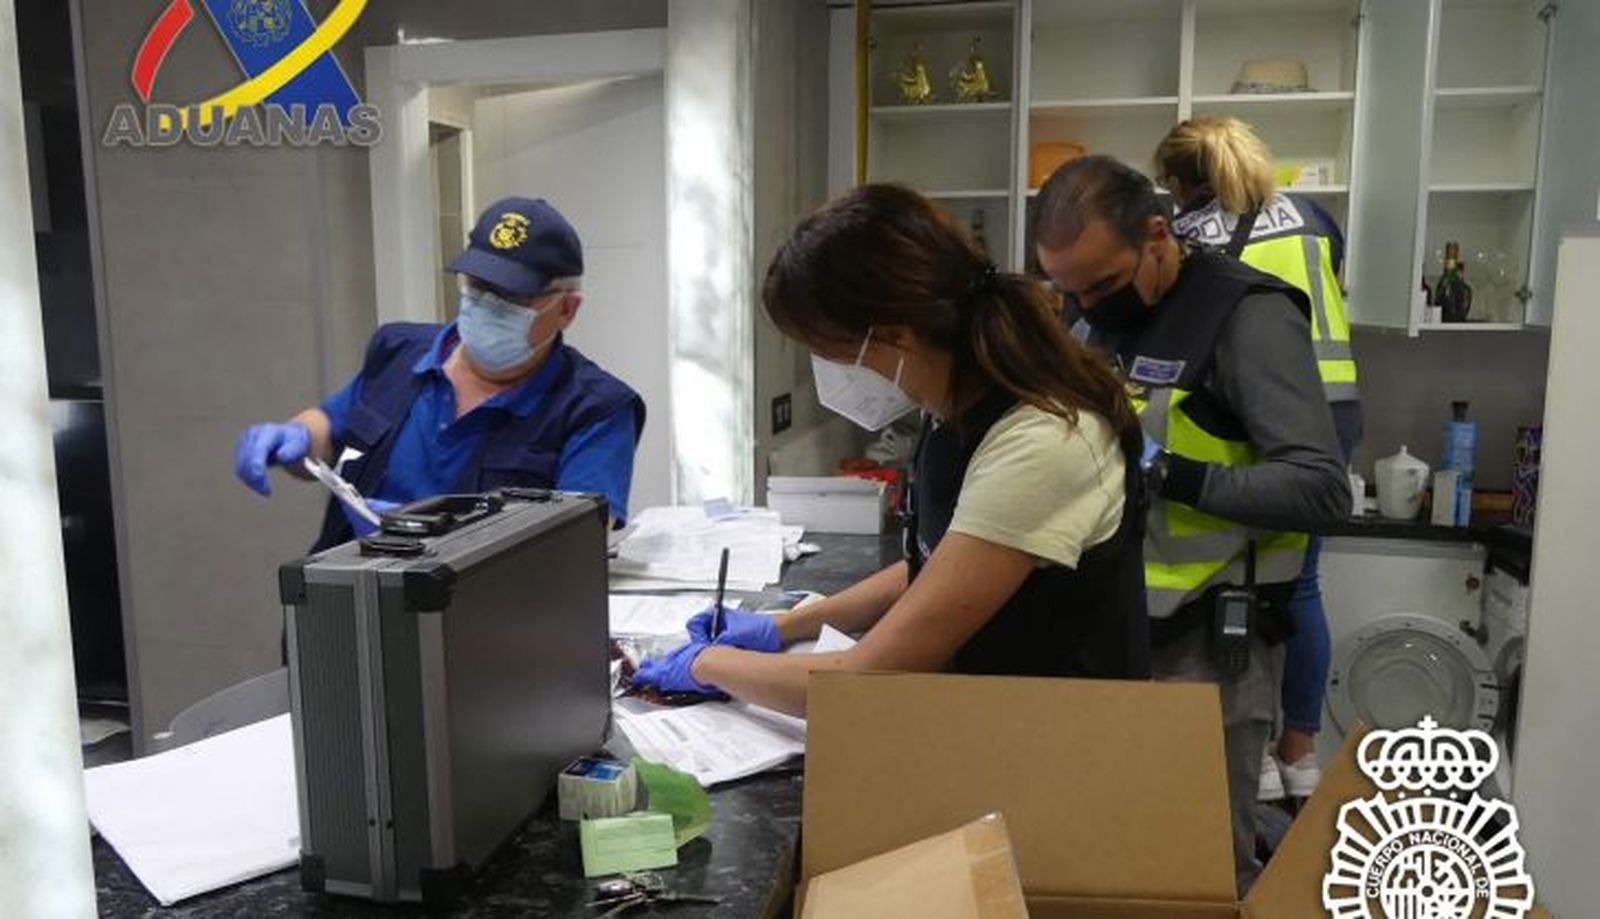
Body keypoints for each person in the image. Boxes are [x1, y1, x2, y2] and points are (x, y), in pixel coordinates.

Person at [634, 183, 1151, 716]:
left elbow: (860, 682)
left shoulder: (1044, 441)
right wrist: (784, 626)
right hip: (1001, 721)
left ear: (896, 335)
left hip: (1068, 748)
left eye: (826, 351)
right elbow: (937, 565)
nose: (826, 371)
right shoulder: (952, 407)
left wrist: (706, 664)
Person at [1033, 155, 1349, 893]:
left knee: (1202, 870)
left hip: (1209, 653)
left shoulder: (1246, 315)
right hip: (1114, 638)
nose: (1087, 307)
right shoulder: (1098, 311)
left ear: (1156, 235)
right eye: (1069, 290)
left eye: (1102, 286)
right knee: (1115, 860)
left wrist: (1168, 474)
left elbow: (1321, 490)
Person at [232, 197, 644, 550]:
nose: (486, 303)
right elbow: (329, 427)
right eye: (477, 285)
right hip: (345, 610)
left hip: (476, 628)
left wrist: (441, 538)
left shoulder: (596, 409)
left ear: (567, 309)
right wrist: (297, 437)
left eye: (510, 295)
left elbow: (575, 547)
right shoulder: (397, 352)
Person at [1155, 116, 1364, 799]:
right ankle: (1297, 748)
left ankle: (1259, 750)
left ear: (1184, 183)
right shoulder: (1313, 217)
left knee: (1249, 579)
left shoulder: (1190, 234)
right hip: (1337, 409)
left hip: (1251, 412)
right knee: (1299, 584)